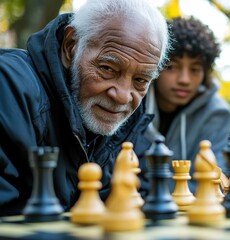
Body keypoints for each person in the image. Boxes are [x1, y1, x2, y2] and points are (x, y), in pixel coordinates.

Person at [0, 0, 170, 216]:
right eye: (108, 68)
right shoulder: (8, 87)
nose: (122, 96)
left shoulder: (134, 129)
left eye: (140, 80)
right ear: (71, 46)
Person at [140, 16, 230, 195]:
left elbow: (215, 181)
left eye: (195, 70)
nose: (184, 80)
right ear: (156, 67)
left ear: (205, 74)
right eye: (172, 67)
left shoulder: (218, 113)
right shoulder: (133, 101)